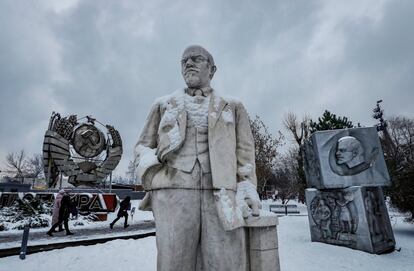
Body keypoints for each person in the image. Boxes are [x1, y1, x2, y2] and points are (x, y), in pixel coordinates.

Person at [134, 45, 261, 271]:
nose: (188, 64)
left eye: (196, 59)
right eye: (184, 61)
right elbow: (143, 147)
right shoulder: (163, 105)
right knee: (174, 262)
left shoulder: (233, 106)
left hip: (221, 191)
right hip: (174, 192)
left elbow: (245, 152)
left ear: (212, 70)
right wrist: (153, 176)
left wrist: (246, 186)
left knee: (226, 261)